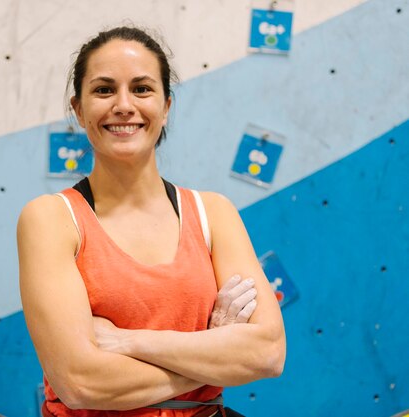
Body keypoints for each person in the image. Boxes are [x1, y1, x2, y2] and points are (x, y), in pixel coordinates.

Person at [17, 26, 286, 417]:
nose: (124, 105)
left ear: (166, 106)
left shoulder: (214, 213)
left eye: (142, 89)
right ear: (78, 109)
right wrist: (212, 351)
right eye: (104, 90)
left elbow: (268, 352)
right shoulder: (51, 219)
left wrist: (129, 342)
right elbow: (80, 383)